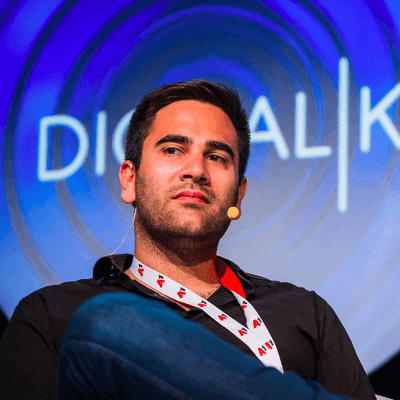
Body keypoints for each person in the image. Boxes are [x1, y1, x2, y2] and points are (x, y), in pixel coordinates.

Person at [0, 80, 375, 400]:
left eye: (216, 157)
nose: (196, 170)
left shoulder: (304, 313)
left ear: (239, 194)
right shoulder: (50, 314)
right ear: (129, 180)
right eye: (173, 150)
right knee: (103, 323)